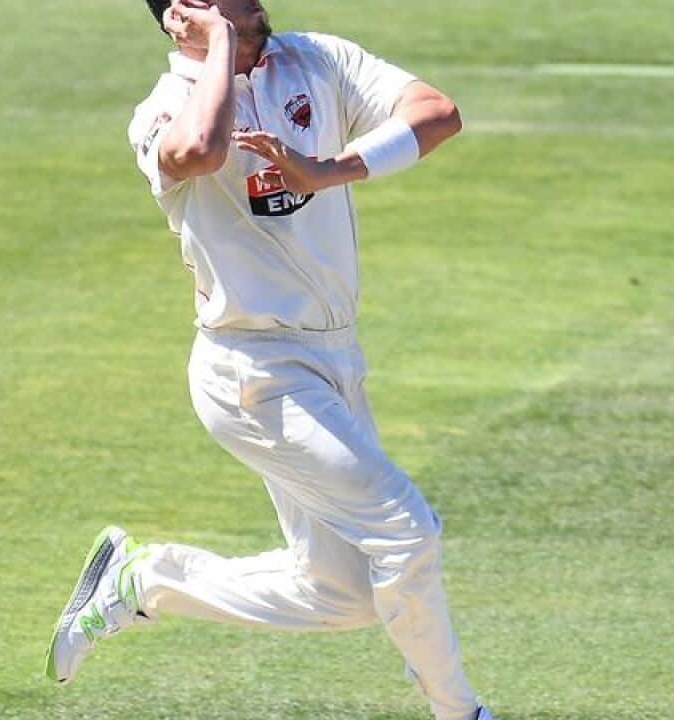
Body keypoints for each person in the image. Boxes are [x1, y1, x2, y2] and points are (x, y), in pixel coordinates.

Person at [43, 2, 495, 719]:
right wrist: (221, 44)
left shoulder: (315, 58)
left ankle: (144, 581)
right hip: (253, 373)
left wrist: (328, 169)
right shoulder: (162, 111)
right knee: (405, 530)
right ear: (181, 16)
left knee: (341, 595)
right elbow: (200, 153)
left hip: (336, 357)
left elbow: (437, 114)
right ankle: (460, 712)